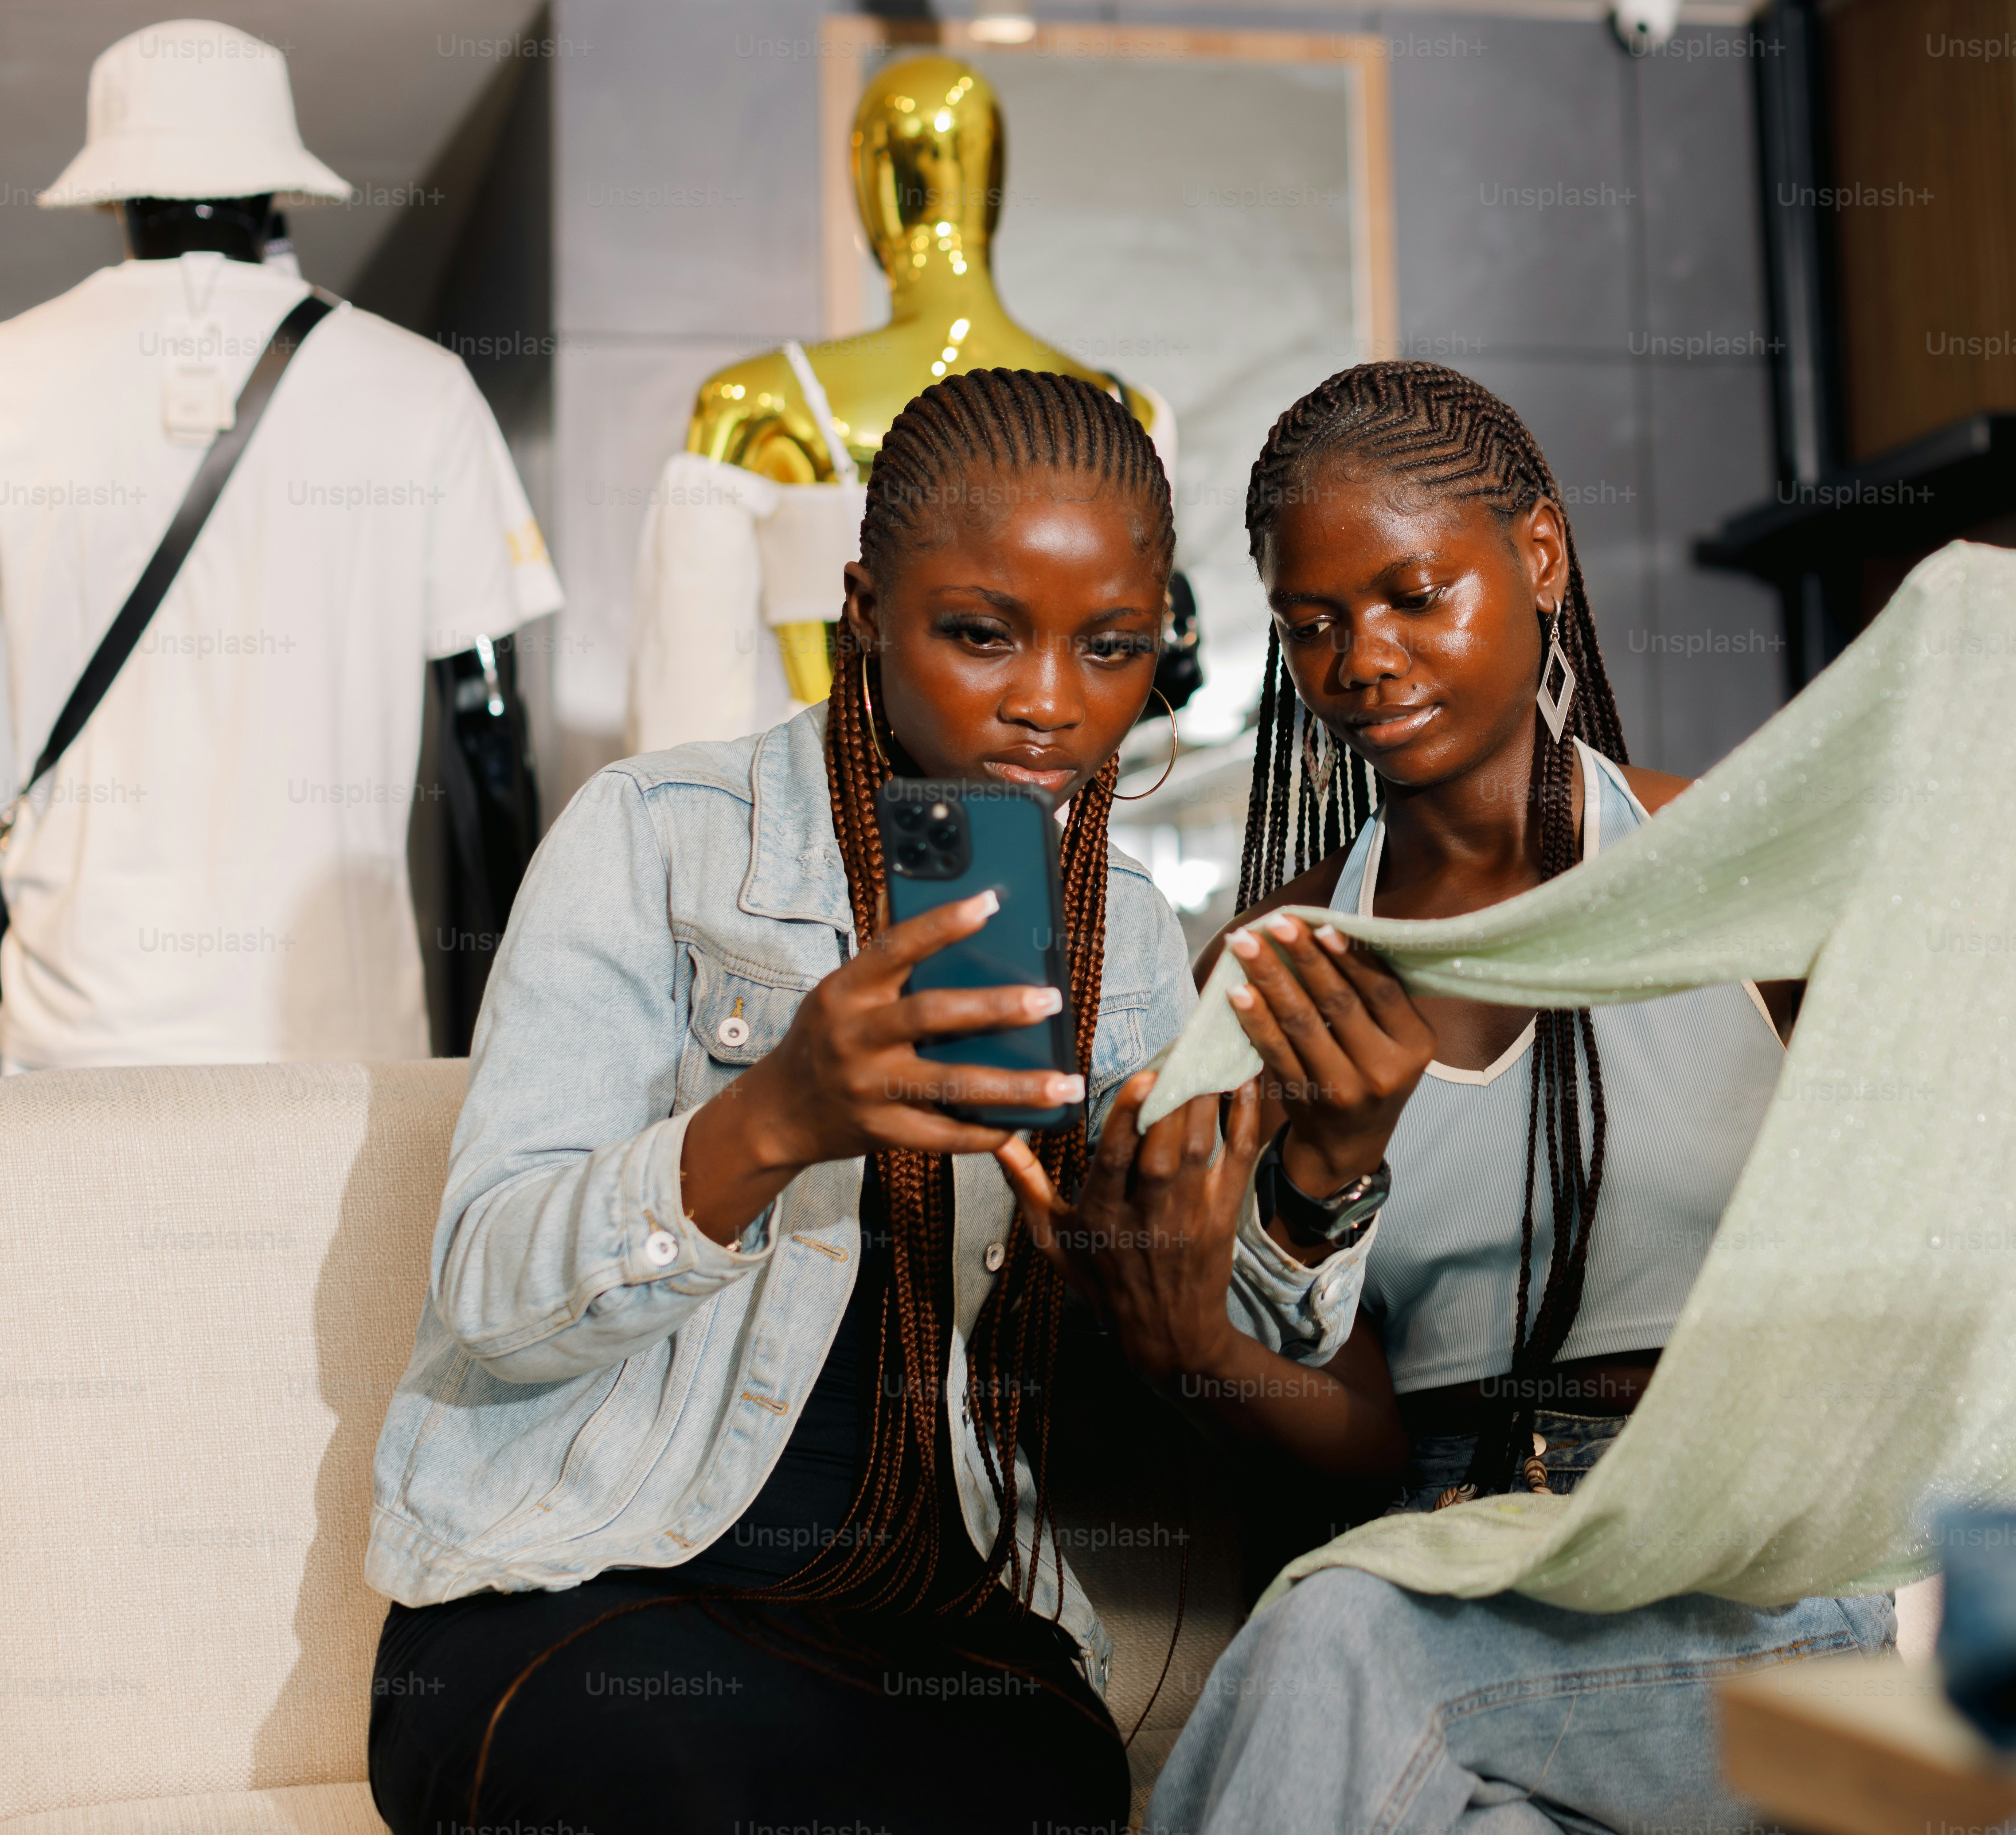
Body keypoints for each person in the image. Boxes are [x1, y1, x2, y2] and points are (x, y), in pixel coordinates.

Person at [1000, 360, 2016, 1835]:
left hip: (1747, 1588)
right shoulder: (1275, 973)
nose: (1363, 663)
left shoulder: (1746, 868)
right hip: (1442, 1563)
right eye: (1312, 623)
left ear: (1540, 555)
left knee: (1339, 1642)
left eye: (1413, 595)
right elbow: (1363, 1443)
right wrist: (1201, 1327)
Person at [361, 367, 1349, 1833]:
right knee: (684, 1784)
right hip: (600, 1580)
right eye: (981, 633)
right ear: (865, 612)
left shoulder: (1128, 932)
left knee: (1061, 1791)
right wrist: (773, 1121)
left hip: (934, 1616)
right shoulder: (657, 840)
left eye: (1111, 648)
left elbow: (1205, 1372)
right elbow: (491, 1289)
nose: (1049, 702)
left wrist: (1279, 1200)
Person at [0, 18, 560, 1074]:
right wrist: (529, 1044)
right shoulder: (423, 390)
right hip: (346, 1047)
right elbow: (489, 731)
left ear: (114, 195)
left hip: (78, 1041)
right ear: (277, 194)